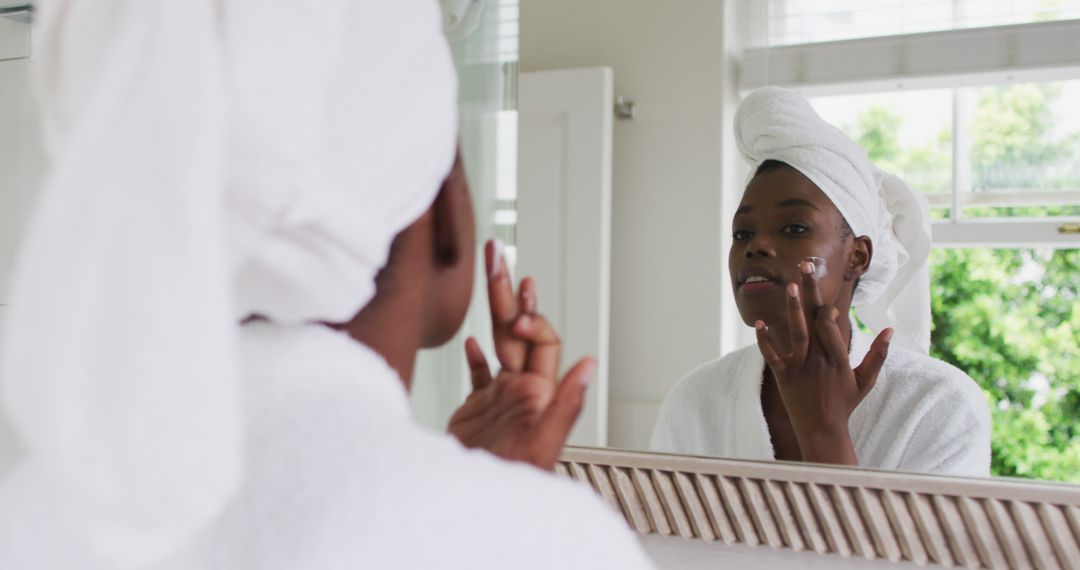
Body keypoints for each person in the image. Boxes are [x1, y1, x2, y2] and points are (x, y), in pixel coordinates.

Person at [0, 1, 652, 568]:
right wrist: (499, 511)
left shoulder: (25, 516)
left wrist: (482, 492)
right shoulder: (544, 547)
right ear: (450, 220)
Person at [650, 87, 990, 477]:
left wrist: (823, 431)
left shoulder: (937, 404)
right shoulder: (696, 400)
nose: (756, 246)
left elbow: (915, 542)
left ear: (858, 255)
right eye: (742, 233)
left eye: (793, 228)